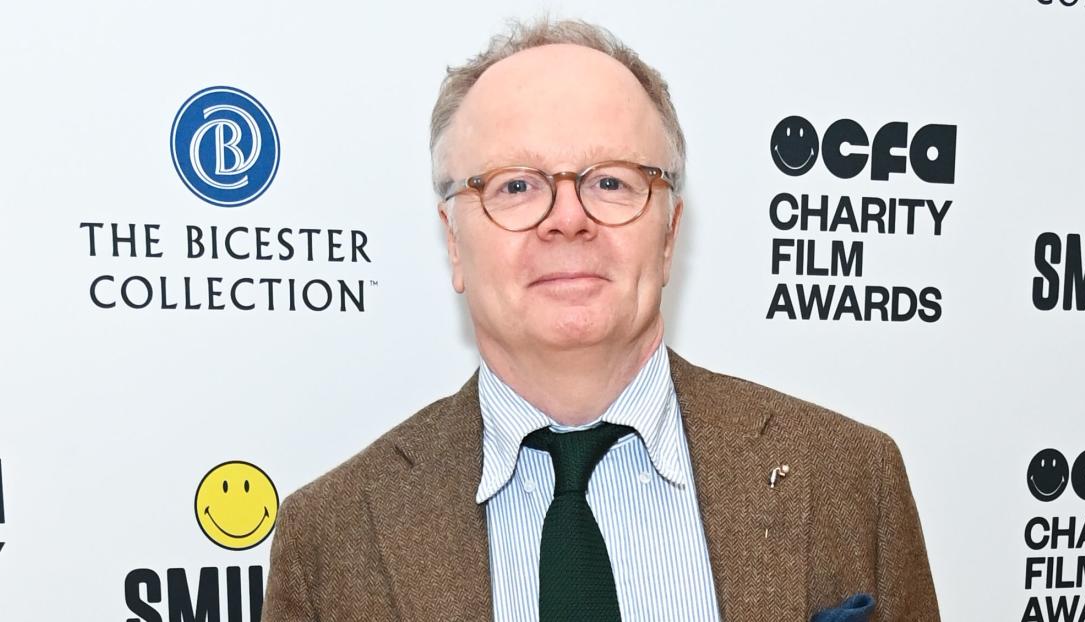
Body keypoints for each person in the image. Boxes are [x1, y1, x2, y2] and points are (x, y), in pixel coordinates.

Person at [262, 17, 940, 622]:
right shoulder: (331, 535)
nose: (567, 219)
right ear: (453, 243)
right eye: (515, 185)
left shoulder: (853, 476)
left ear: (669, 234)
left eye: (612, 181)